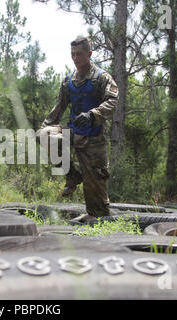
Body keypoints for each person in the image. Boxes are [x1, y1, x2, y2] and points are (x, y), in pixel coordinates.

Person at [40, 36, 119, 224]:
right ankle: (73, 176)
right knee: (44, 135)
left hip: (93, 138)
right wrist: (43, 128)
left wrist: (93, 114)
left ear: (89, 54)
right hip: (73, 133)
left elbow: (113, 101)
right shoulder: (68, 82)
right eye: (72, 54)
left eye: (79, 54)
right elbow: (58, 108)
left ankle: (97, 216)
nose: (75, 58)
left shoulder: (101, 78)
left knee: (97, 196)